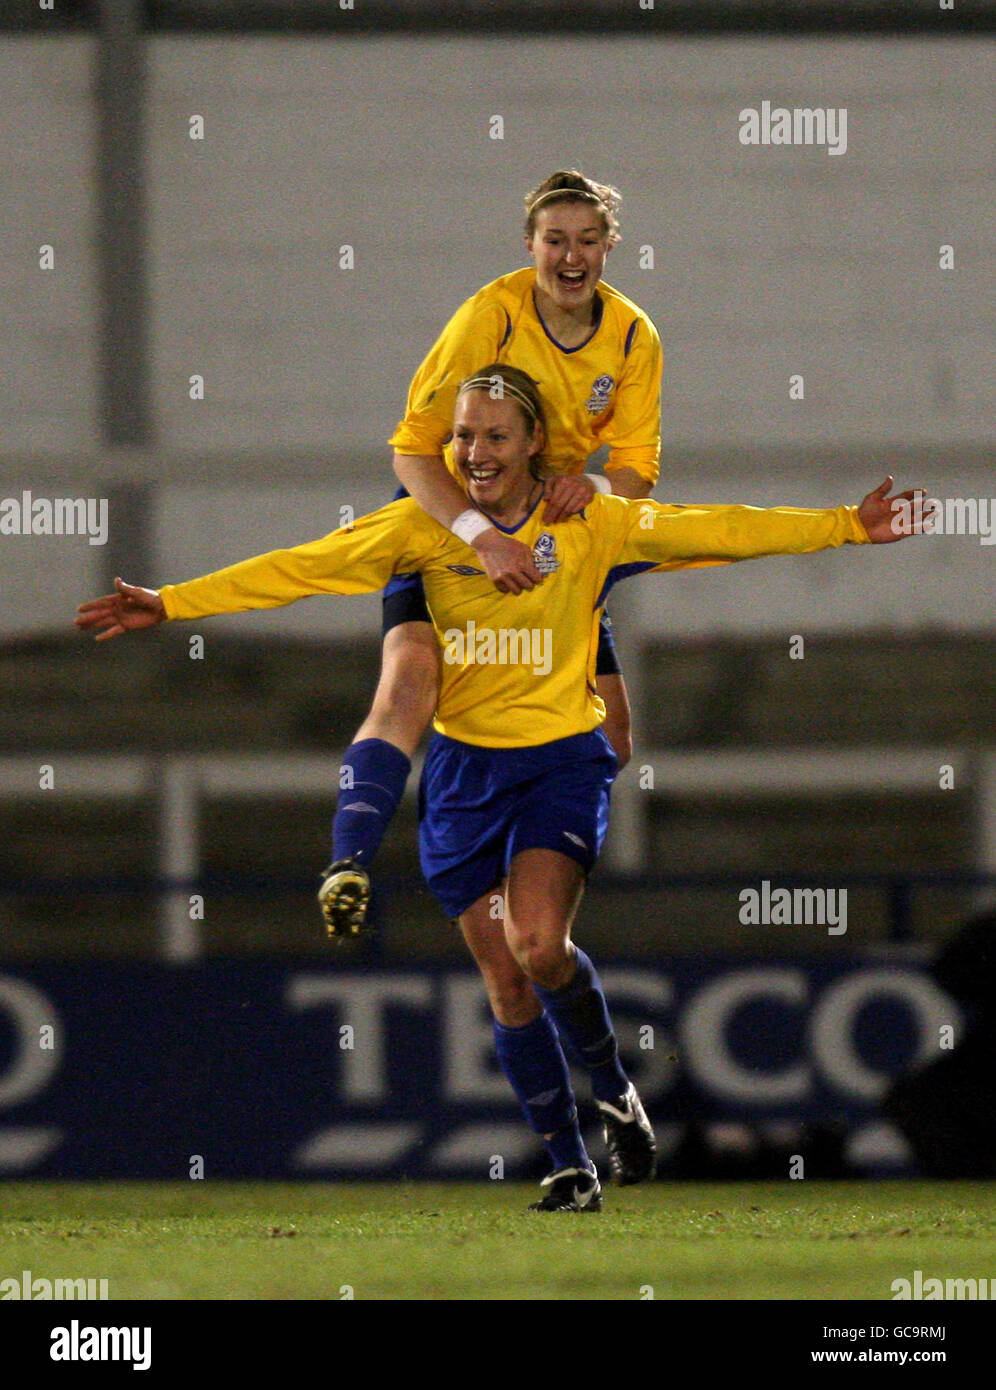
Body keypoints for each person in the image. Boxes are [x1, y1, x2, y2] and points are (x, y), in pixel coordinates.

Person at [75, 365, 922, 1211]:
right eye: (463, 436)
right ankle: (568, 1164)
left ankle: (613, 1089)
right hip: (462, 775)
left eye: (493, 437)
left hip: (558, 763)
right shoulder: (423, 529)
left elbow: (718, 527)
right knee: (508, 984)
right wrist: (172, 603)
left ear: (532, 445)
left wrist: (846, 524)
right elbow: (302, 567)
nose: (474, 452)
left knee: (540, 946)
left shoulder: (591, 520)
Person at [319, 170, 664, 940]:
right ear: (530, 246)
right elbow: (413, 453)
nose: (570, 257)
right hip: (453, 530)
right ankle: (349, 859)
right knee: (408, 681)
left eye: (587, 240)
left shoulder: (634, 335)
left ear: (610, 246)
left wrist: (596, 485)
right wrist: (478, 534)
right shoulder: (490, 316)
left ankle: (536, 844)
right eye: (555, 240)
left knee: (611, 737)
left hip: (551, 549)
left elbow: (640, 468)